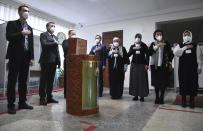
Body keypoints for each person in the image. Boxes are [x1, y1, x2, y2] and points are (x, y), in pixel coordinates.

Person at [6, 5, 34, 114]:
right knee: (12, 80)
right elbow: (9, 36)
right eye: (24, 10)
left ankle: (22, 102)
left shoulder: (30, 28)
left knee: (23, 81)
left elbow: (30, 44)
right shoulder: (12, 23)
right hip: (15, 56)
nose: (26, 12)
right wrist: (21, 33)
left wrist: (32, 57)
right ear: (19, 12)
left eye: (28, 11)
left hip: (26, 58)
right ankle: (11, 105)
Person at [173, 30, 200, 108]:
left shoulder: (195, 45)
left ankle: (192, 102)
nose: (186, 36)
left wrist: (200, 67)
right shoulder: (180, 45)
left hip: (193, 69)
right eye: (185, 35)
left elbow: (199, 57)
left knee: (193, 84)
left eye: (188, 35)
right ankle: (183, 101)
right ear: (183, 36)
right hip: (183, 69)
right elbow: (176, 53)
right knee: (183, 84)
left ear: (191, 36)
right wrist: (185, 47)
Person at [149, 29, 173, 104]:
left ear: (162, 35)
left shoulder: (166, 43)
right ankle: (157, 97)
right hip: (155, 66)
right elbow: (150, 52)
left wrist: (170, 63)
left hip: (164, 66)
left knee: (163, 83)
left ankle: (162, 97)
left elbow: (170, 54)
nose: (159, 35)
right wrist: (158, 46)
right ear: (155, 36)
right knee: (156, 84)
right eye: (157, 34)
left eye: (160, 34)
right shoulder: (153, 44)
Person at [39, 22, 61, 105]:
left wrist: (59, 61)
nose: (53, 27)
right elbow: (44, 44)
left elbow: (57, 50)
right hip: (45, 60)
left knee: (51, 81)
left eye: (54, 26)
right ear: (47, 27)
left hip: (54, 61)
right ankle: (42, 98)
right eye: (52, 26)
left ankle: (49, 97)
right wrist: (54, 43)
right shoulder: (43, 35)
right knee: (43, 80)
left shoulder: (55, 37)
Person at [128, 33, 149, 102]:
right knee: (134, 80)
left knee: (142, 81)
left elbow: (148, 55)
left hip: (142, 65)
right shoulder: (132, 46)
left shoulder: (144, 45)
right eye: (136, 37)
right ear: (135, 38)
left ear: (141, 38)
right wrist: (133, 49)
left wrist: (147, 64)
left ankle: (142, 96)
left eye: (139, 37)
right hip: (134, 65)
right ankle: (135, 95)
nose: (138, 38)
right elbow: (128, 55)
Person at [62, 30, 76, 98]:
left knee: (74, 79)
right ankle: (66, 94)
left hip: (75, 62)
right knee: (67, 79)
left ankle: (73, 93)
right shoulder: (65, 41)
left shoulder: (76, 41)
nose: (74, 35)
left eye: (75, 34)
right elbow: (66, 48)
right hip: (68, 62)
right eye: (73, 34)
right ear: (69, 34)